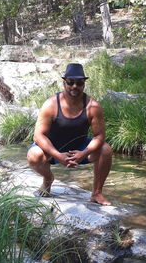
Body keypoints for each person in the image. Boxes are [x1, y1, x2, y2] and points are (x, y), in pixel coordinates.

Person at [27, 63, 112, 206]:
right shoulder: (51, 104)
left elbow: (99, 136)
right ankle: (48, 179)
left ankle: (97, 193)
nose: (74, 86)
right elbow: (38, 136)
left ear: (84, 84)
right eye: (70, 82)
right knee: (33, 155)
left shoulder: (93, 106)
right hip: (52, 149)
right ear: (64, 82)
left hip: (78, 148)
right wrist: (57, 155)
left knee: (106, 150)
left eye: (79, 83)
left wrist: (84, 153)